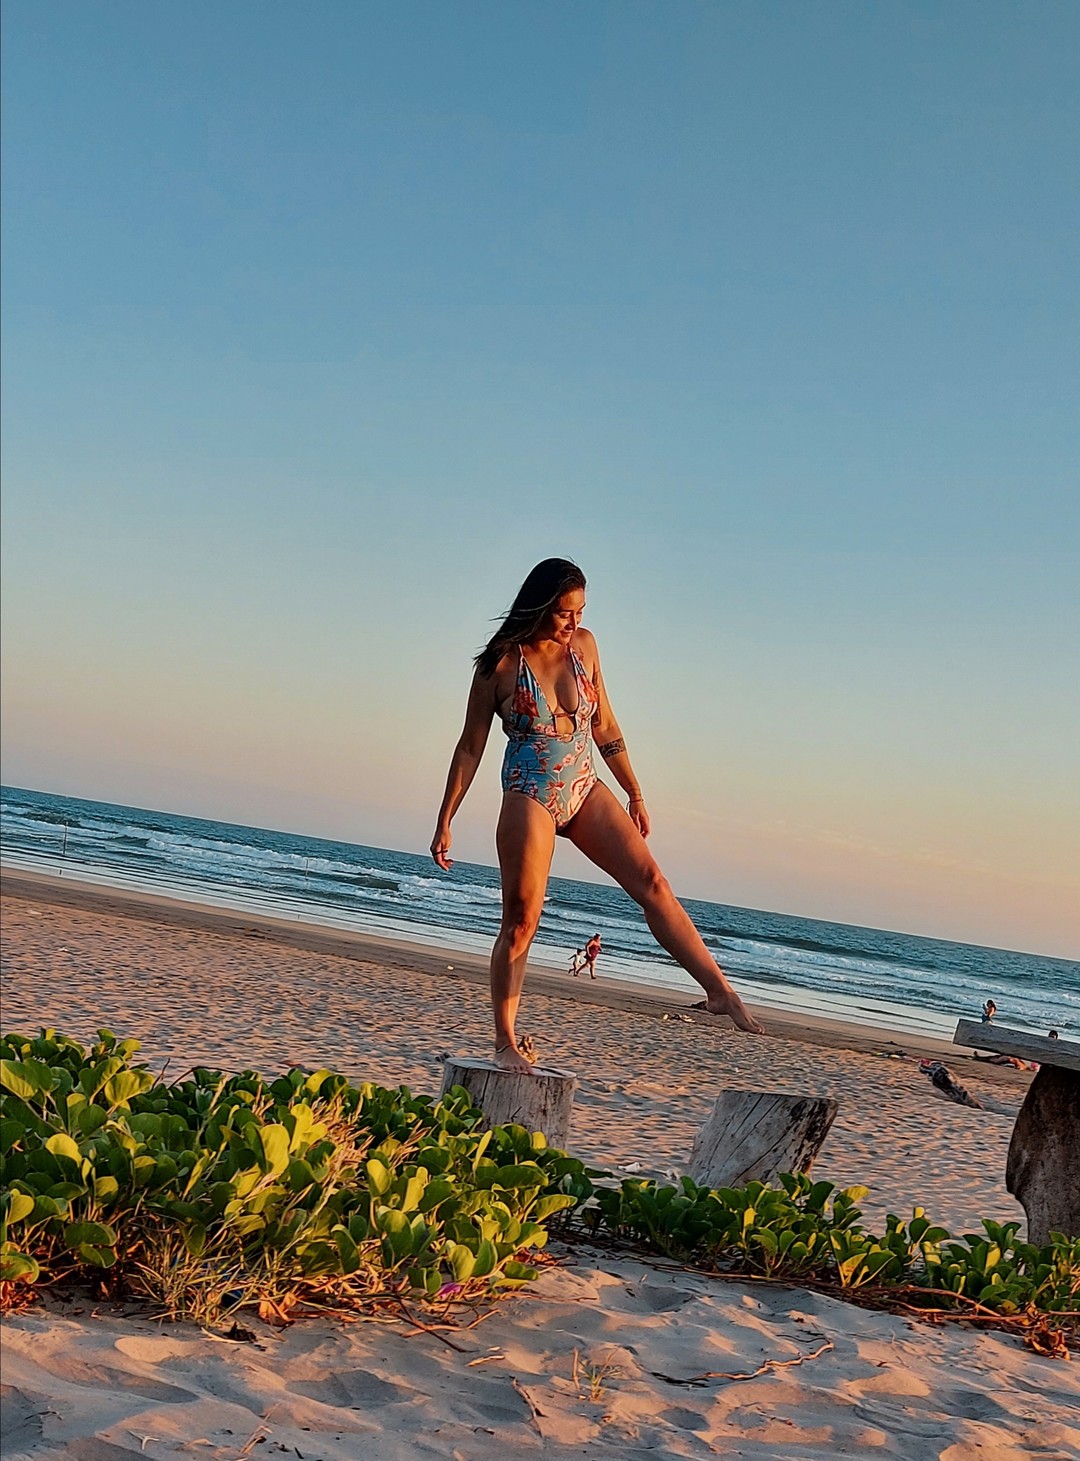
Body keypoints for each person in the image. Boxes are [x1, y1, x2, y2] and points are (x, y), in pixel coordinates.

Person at [430, 558, 765, 1073]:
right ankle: (505, 1040)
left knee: (653, 883)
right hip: (530, 791)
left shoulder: (585, 647)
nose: (574, 622)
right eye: (564, 612)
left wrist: (634, 791)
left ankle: (719, 991)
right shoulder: (500, 665)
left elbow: (605, 723)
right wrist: (445, 819)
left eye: (580, 611)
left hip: (585, 785)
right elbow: (470, 746)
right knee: (521, 919)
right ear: (539, 606)